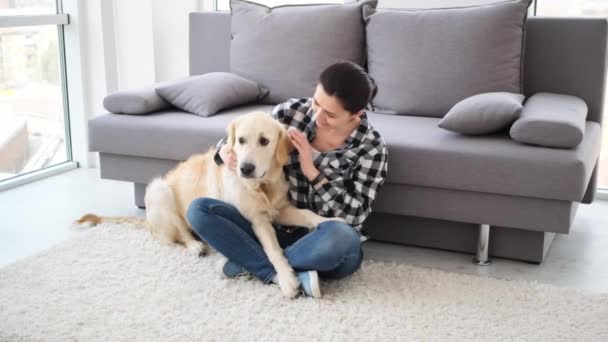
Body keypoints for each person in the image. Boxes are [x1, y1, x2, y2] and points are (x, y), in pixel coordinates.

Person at [186, 61, 388, 298]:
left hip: (321, 238)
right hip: (274, 226)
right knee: (199, 209)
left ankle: (251, 263)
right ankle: (281, 272)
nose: (318, 116)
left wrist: (312, 171)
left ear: (357, 114)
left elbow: (353, 216)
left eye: (330, 114)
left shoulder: (372, 149)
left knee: (344, 238)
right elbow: (243, 135)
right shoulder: (289, 114)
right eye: (316, 102)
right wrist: (223, 153)